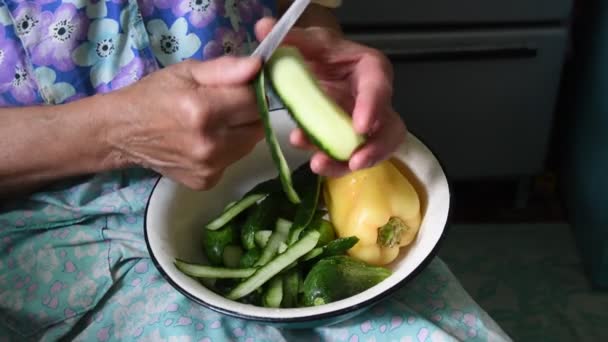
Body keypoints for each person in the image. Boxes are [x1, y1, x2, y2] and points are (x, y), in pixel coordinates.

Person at [0, 0, 512, 340]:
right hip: (55, 227)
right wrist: (112, 132)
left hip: (282, 167)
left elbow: (306, 11)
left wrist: (316, 60)